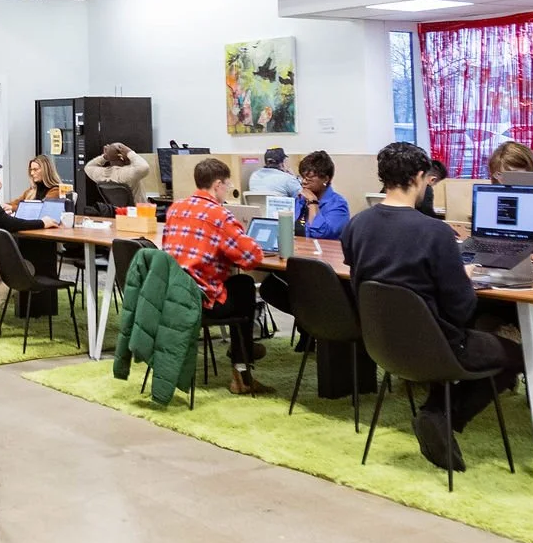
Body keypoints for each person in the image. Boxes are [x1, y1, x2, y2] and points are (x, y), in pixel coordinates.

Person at [342, 142, 521, 472]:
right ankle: (440, 416)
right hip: (438, 346)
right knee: (514, 356)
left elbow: (364, 280)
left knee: (461, 336)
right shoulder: (435, 233)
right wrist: (463, 275)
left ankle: (437, 411)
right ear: (421, 177)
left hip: (382, 346)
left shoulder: (356, 225)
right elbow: (461, 308)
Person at [159, 158, 269, 395]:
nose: (227, 190)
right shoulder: (220, 215)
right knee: (245, 285)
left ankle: (245, 353)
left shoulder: (175, 208)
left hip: (174, 296)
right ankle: (242, 370)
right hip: (202, 302)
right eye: (227, 185)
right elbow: (251, 258)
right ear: (218, 184)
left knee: (237, 284)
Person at [292, 150, 349, 239]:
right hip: (298, 249)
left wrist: (313, 202)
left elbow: (319, 234)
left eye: (309, 179)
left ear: (325, 179)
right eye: (302, 178)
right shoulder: (301, 200)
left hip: (323, 251)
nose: (303, 182)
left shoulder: (338, 205)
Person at [84, 143, 155, 202]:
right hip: (138, 214)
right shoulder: (126, 173)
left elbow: (88, 167)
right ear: (121, 157)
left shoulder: (101, 174)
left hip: (118, 214)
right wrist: (129, 152)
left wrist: (104, 157)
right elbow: (144, 167)